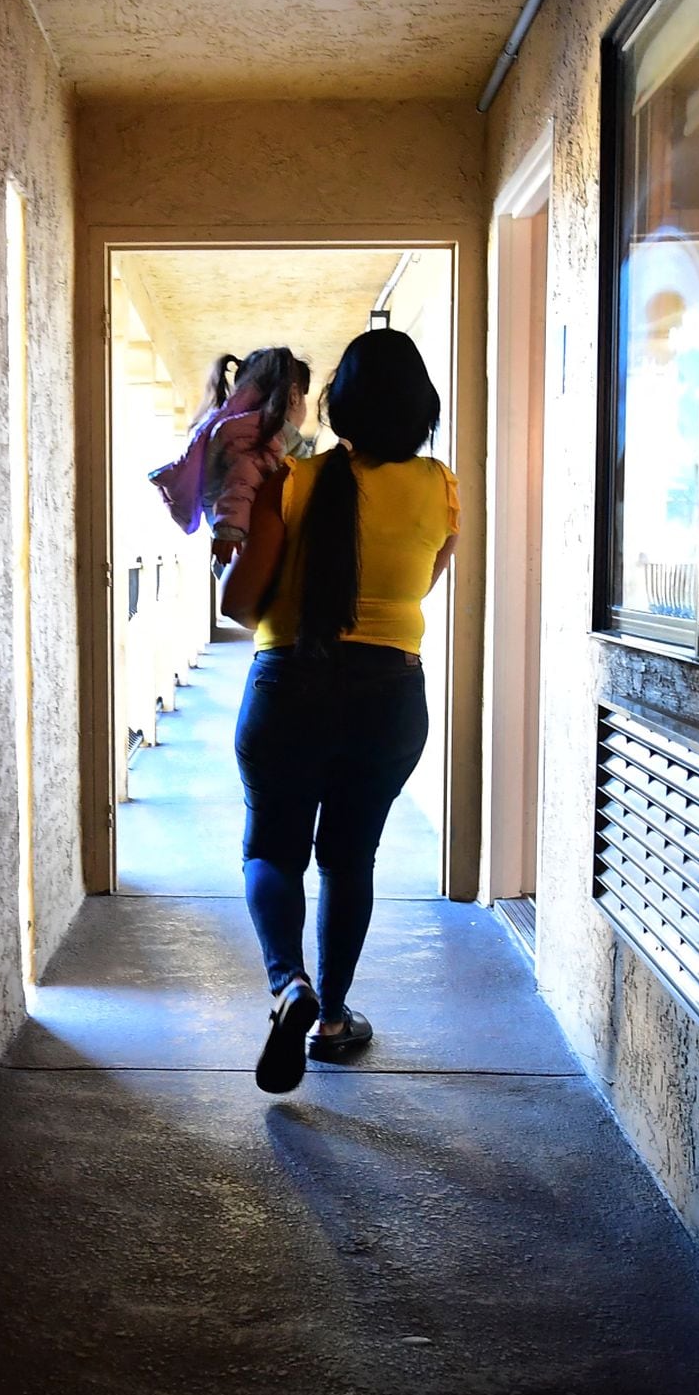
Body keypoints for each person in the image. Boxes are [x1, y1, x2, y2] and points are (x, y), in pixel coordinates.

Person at [219, 328, 456, 1094]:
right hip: (389, 694)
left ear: (337, 403)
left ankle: (291, 987)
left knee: (272, 853)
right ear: (422, 409)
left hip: (288, 686)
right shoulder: (441, 486)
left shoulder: (291, 479)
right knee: (349, 860)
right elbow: (417, 587)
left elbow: (238, 604)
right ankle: (334, 1018)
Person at [148, 347, 310, 564]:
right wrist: (231, 529)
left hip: (245, 543)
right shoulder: (263, 431)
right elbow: (243, 477)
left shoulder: (241, 428)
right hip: (250, 546)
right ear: (294, 397)